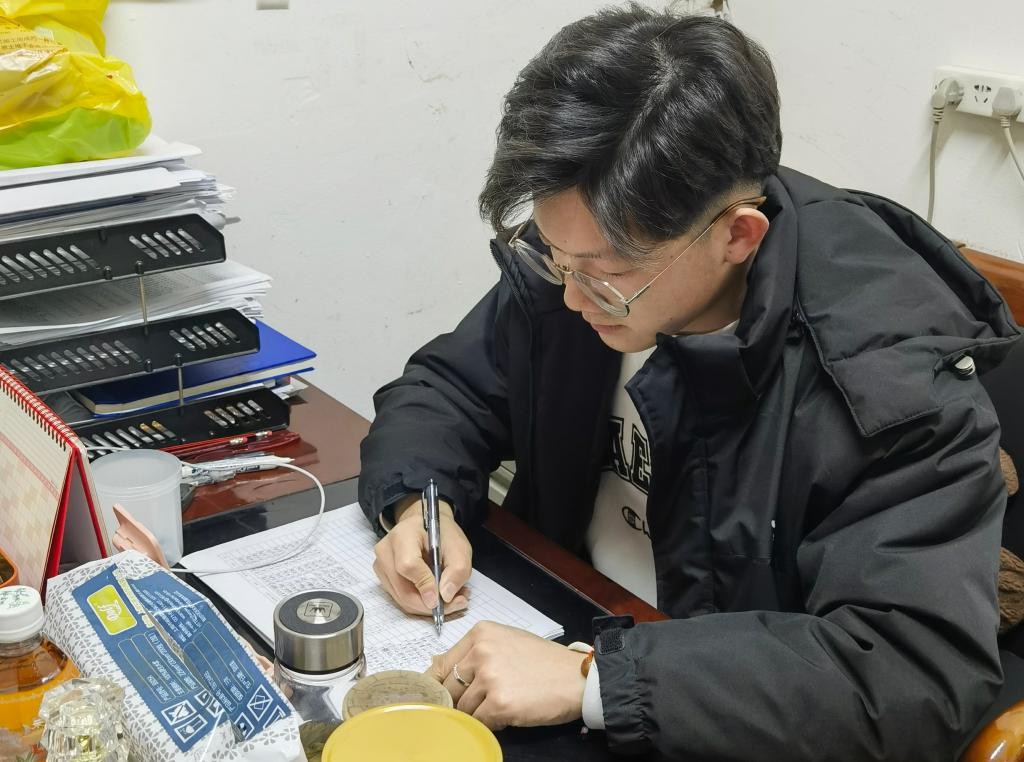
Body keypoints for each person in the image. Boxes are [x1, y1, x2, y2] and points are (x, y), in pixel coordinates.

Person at [358, 4, 1020, 759]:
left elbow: (909, 673)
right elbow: (446, 388)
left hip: (712, 713)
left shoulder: (884, 375)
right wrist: (420, 506)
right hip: (557, 627)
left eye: (603, 274)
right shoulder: (580, 264)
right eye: (552, 256)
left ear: (737, 235)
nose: (570, 298)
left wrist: (595, 681)